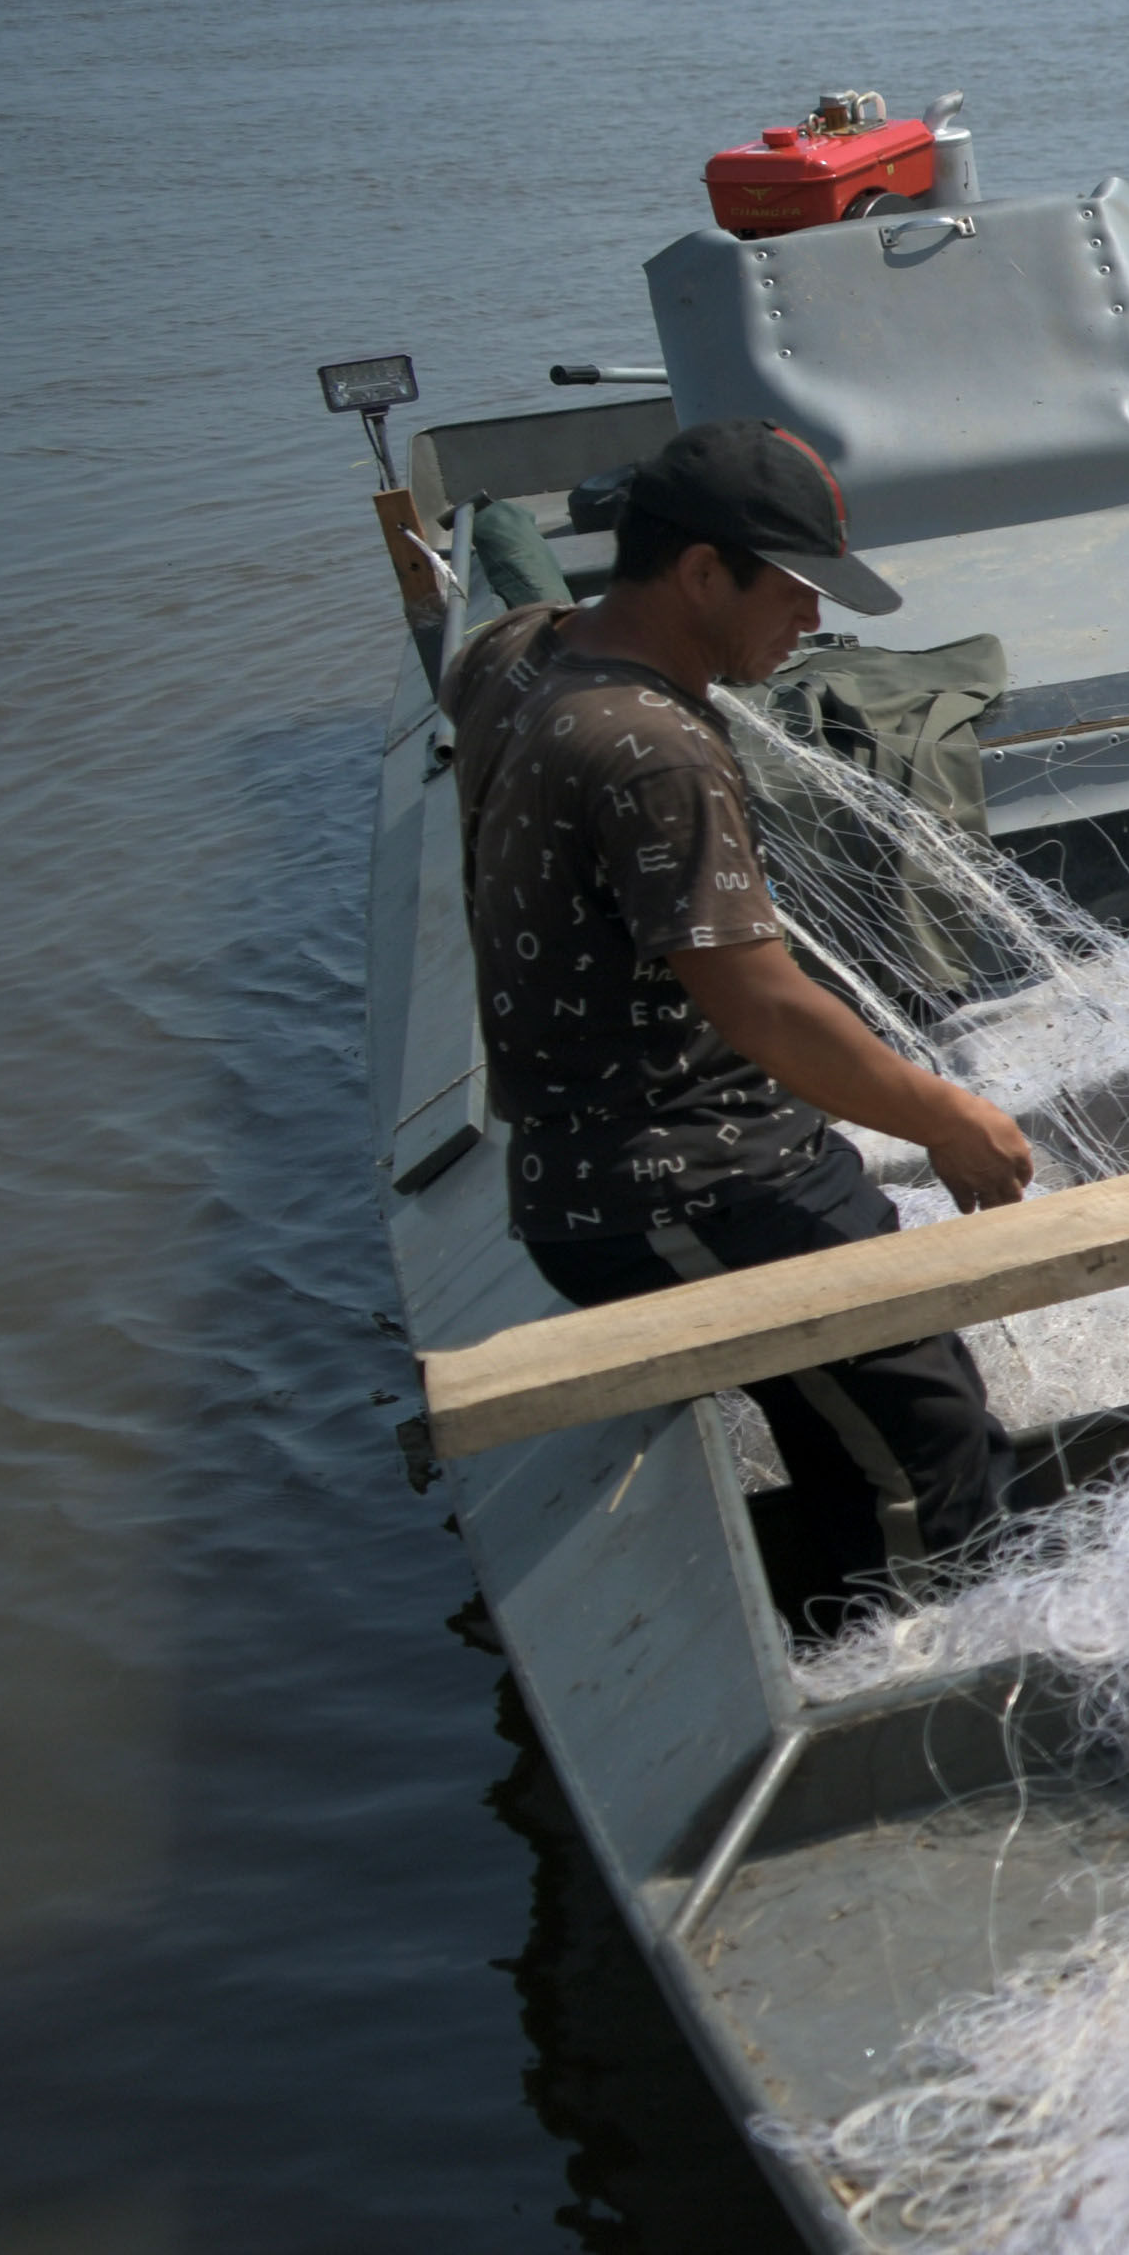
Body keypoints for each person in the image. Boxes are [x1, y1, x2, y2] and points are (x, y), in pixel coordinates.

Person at [448, 419, 1031, 1611]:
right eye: (797, 593)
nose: (815, 626)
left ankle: (848, 1582)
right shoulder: (652, 748)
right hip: (670, 1185)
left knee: (877, 1396)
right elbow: (762, 1003)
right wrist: (946, 1116)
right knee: (925, 1440)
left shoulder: (517, 652)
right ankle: (946, 1668)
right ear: (703, 571)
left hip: (638, 1157)